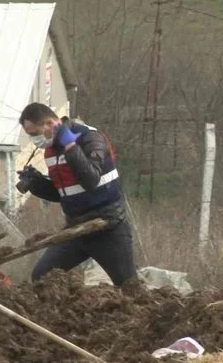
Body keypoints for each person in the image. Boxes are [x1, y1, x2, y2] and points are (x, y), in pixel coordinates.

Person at [16, 102, 138, 286]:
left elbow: (91, 180)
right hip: (76, 229)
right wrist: (36, 183)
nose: (35, 140)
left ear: (49, 124)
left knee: (129, 286)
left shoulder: (90, 137)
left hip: (108, 227)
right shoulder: (51, 152)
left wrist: (71, 146)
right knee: (42, 277)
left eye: (35, 134)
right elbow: (64, 194)